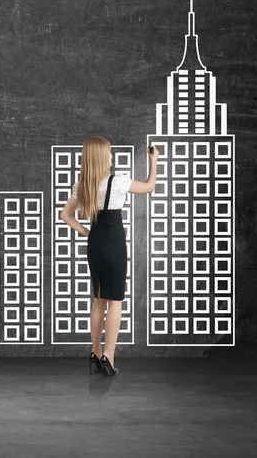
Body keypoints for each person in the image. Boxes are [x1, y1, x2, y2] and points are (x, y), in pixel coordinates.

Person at [60, 136, 159, 376]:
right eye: (110, 153)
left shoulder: (82, 185)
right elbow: (149, 187)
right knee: (115, 301)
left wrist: (87, 232)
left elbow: (66, 215)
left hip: (95, 242)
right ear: (104, 157)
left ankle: (94, 352)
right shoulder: (118, 182)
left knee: (99, 299)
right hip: (114, 241)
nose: (112, 156)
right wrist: (153, 161)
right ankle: (109, 356)